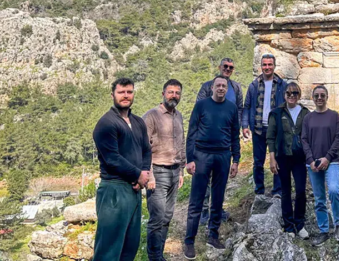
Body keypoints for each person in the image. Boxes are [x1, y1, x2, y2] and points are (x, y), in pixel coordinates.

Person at [92, 78, 151, 261]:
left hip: (134, 190)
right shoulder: (106, 123)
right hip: (114, 190)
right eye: (121, 92)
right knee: (108, 250)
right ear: (113, 95)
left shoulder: (138, 122)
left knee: (130, 246)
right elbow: (112, 159)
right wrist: (137, 174)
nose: (126, 96)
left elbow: (146, 150)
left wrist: (144, 174)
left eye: (129, 92)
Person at [184, 75, 240, 258]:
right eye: (218, 85)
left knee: (217, 198)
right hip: (202, 155)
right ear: (212, 88)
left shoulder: (232, 108)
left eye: (224, 86)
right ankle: (189, 241)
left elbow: (235, 135)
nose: (221, 88)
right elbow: (191, 133)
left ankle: (213, 235)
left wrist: (236, 160)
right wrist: (190, 159)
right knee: (197, 199)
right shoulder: (201, 106)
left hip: (223, 156)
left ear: (226, 89)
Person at [196, 58, 243, 225]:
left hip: (226, 139)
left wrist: (236, 127)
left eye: (231, 67)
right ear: (220, 67)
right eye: (225, 66)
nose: (228, 69)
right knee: (206, 177)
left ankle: (217, 209)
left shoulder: (236, 88)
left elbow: (239, 109)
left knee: (220, 178)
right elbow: (199, 108)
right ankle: (203, 211)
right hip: (207, 140)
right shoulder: (207, 86)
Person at [143, 79, 185, 261]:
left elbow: (181, 144)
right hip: (157, 172)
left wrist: (181, 170)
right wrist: (149, 175)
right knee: (157, 219)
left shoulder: (179, 116)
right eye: (170, 92)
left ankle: (159, 254)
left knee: (167, 216)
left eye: (177, 93)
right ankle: (154, 257)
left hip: (174, 172)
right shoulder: (151, 116)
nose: (174, 96)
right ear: (163, 94)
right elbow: (143, 147)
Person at [301, 86, 339, 247]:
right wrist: (310, 160)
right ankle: (323, 231)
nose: (319, 98)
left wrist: (327, 158)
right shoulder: (308, 118)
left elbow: (338, 138)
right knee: (319, 198)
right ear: (312, 98)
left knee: (333, 190)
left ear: (327, 97)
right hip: (313, 163)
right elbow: (304, 140)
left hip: (332, 161)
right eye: (316, 95)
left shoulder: (334, 116)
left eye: (322, 95)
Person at [267, 82, 310, 239]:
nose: (292, 96)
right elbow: (270, 137)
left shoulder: (305, 113)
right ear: (284, 95)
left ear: (299, 95)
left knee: (300, 191)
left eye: (295, 93)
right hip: (282, 157)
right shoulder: (276, 113)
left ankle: (300, 224)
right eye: (289, 93)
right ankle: (289, 226)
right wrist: (272, 159)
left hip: (300, 158)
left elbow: (310, 134)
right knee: (285, 191)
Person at [242, 54, 287, 198]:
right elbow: (247, 106)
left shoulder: (282, 85)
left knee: (278, 159)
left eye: (270, 64)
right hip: (258, 128)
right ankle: (259, 190)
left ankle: (278, 191)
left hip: (276, 129)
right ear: (261, 66)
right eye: (264, 65)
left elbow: (287, 106)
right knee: (258, 162)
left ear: (274, 66)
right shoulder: (254, 85)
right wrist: (245, 125)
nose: (267, 67)